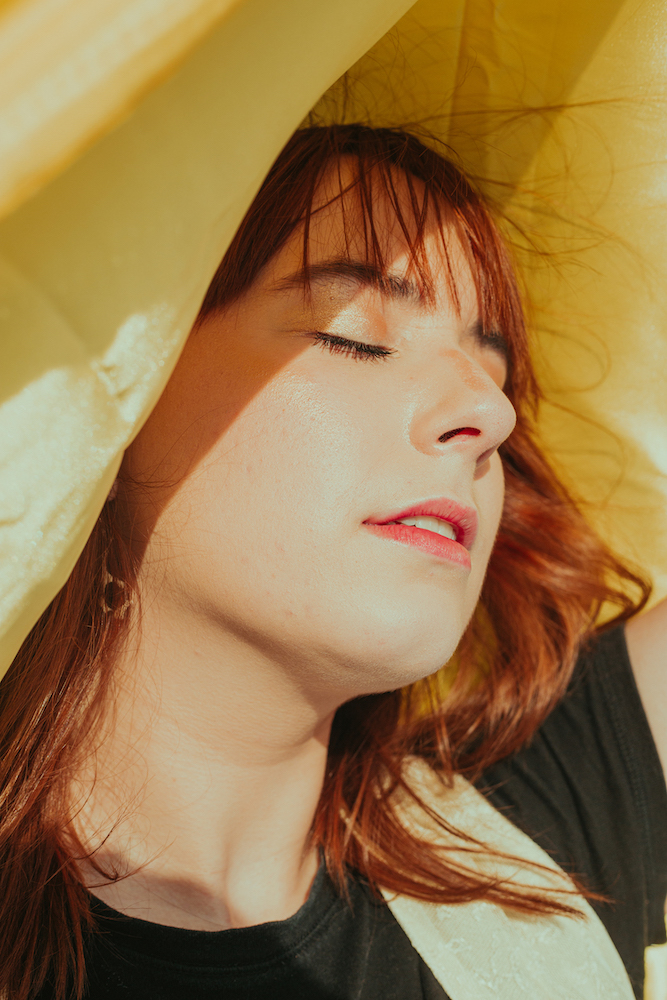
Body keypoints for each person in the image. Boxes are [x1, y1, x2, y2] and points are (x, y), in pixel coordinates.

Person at [1, 124, 665, 1000]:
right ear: (112, 399)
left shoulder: (535, 836)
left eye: (495, 369)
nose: (489, 414)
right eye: (355, 335)